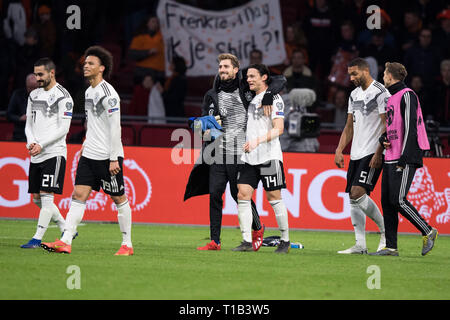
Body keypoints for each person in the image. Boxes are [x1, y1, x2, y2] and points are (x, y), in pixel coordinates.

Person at [184, 53, 286, 251]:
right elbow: (203, 127)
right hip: (218, 152)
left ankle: (258, 227)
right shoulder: (211, 95)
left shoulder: (246, 88)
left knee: (237, 193)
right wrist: (202, 128)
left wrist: (267, 95)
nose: (222, 70)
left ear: (235, 69)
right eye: (220, 67)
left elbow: (280, 80)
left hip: (241, 152)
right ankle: (215, 241)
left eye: (226, 67)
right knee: (214, 194)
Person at [41, 46, 133, 256]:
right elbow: (93, 123)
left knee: (119, 198)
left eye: (90, 63)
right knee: (78, 194)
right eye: (85, 63)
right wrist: (85, 144)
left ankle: (127, 244)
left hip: (107, 157)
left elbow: (115, 127)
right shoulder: (89, 91)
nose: (86, 66)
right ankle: (66, 241)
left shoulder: (109, 94)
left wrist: (113, 159)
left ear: (101, 68)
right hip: (89, 154)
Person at [370, 62, 438, 256]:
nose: (383, 76)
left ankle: (428, 230)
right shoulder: (392, 98)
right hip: (391, 154)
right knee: (387, 201)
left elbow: (411, 128)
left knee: (398, 200)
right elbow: (394, 127)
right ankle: (391, 247)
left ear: (391, 76)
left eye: (384, 73)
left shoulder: (408, 95)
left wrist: (404, 157)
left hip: (404, 155)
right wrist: (384, 139)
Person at [233, 64, 290, 253]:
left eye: (252, 76)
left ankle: (285, 240)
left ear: (264, 77)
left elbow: (279, 128)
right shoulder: (250, 96)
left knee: (274, 197)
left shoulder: (274, 98)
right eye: (247, 76)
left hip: (269, 156)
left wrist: (257, 140)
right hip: (250, 156)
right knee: (242, 194)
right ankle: (247, 240)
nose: (248, 79)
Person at [334, 58, 388, 254]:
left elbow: (386, 125)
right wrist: (339, 149)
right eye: (350, 74)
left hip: (372, 152)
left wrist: (379, 152)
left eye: (355, 74)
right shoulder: (354, 94)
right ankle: (360, 245)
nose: (351, 78)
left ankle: (385, 233)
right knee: (352, 197)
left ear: (366, 71)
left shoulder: (381, 92)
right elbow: (349, 126)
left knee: (358, 193)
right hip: (356, 152)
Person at [20, 58, 72, 248]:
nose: (37, 78)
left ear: (52, 73)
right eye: (35, 74)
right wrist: (31, 142)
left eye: (40, 74)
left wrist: (41, 144)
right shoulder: (33, 95)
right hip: (37, 152)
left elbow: (63, 129)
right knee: (36, 199)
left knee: (46, 196)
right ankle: (66, 228)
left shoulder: (64, 97)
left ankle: (37, 238)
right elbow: (29, 124)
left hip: (54, 153)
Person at [128, 15, 165, 84]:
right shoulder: (139, 36)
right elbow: (132, 54)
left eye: (157, 22)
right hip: (143, 71)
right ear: (147, 23)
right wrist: (148, 52)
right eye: (153, 21)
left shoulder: (164, 36)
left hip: (159, 72)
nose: (155, 24)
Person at [7, 73, 38, 141]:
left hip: (39, 135)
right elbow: (9, 115)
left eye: (35, 88)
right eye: (31, 87)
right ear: (26, 85)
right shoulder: (17, 94)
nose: (33, 90)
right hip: (20, 134)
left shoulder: (45, 95)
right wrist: (20, 118)